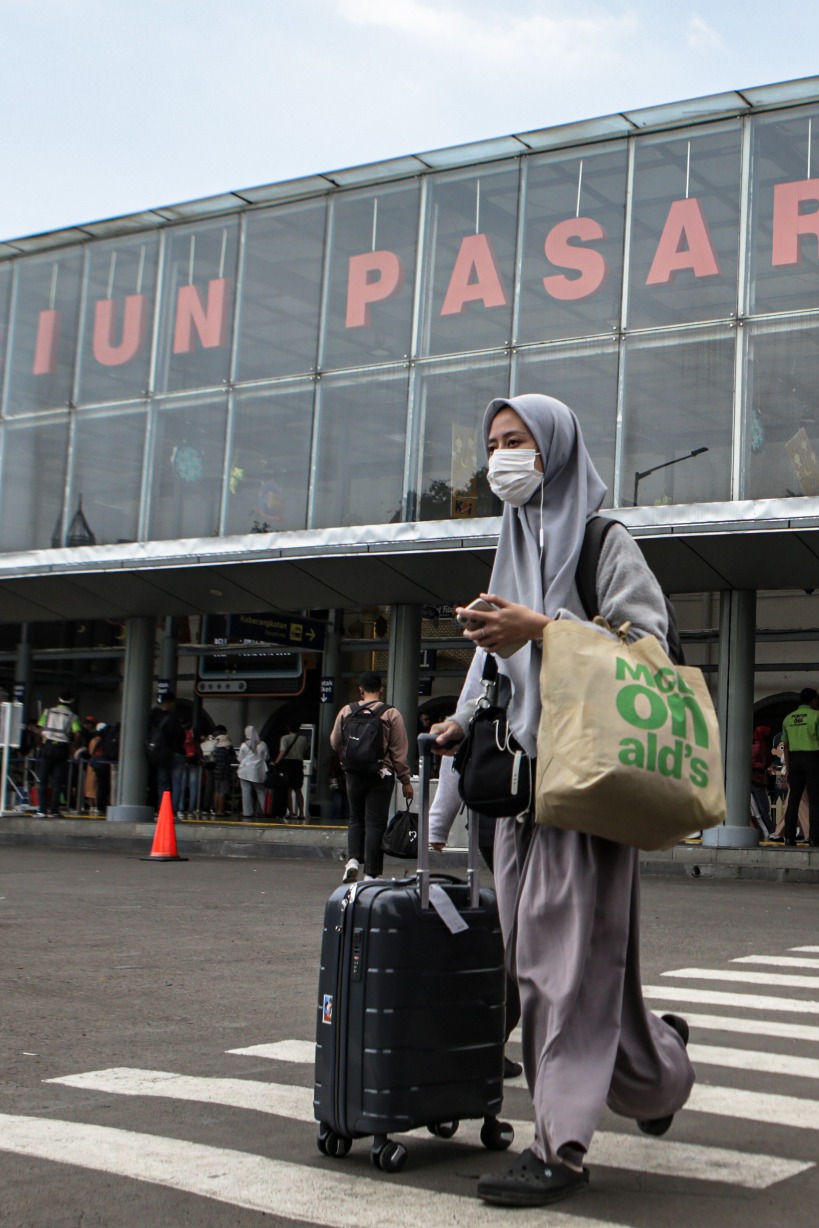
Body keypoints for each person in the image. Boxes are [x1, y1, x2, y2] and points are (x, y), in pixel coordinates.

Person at [430, 394, 694, 1207]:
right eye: (494, 444)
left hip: (586, 793)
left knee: (560, 975)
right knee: (551, 969)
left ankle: (562, 1147)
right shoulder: (510, 550)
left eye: (519, 442)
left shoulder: (604, 544)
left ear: (557, 450)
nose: (502, 458)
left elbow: (652, 648)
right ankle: (659, 1071)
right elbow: (489, 680)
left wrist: (542, 630)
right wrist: (456, 733)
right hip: (515, 803)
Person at [330, 674, 412, 883]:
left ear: (360, 690)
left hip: (353, 774)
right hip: (380, 775)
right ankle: (371, 874)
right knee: (376, 823)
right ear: (381, 689)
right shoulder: (391, 713)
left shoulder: (347, 710)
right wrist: (406, 780)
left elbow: (334, 742)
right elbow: (399, 751)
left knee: (355, 819)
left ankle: (353, 861)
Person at [779, 688, 819, 848]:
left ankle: (789, 837)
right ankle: (814, 838)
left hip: (795, 759)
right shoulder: (818, 716)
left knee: (794, 799)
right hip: (813, 758)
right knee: (815, 799)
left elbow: (786, 746)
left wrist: (788, 768)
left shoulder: (788, 718)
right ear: (814, 700)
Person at [273, 724, 310, 819]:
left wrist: (275, 762)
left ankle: (292, 813)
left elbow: (282, 751)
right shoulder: (303, 739)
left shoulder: (285, 738)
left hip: (288, 764)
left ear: (288, 728)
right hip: (298, 764)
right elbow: (305, 750)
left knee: (288, 790)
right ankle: (301, 813)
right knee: (298, 789)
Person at [237, 725, 270, 818]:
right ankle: (265, 810)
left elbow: (240, 758)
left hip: (244, 772)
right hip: (257, 772)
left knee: (246, 791)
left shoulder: (244, 745)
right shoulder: (263, 744)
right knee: (260, 791)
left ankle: (247, 812)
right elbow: (266, 757)